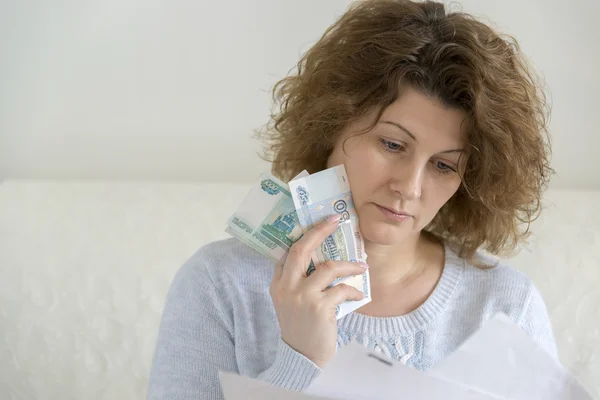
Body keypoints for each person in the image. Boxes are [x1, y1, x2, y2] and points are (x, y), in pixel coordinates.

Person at [147, 0, 557, 398]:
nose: (410, 187)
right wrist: (300, 361)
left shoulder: (506, 306)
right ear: (332, 124)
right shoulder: (220, 285)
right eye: (393, 145)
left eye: (444, 166)